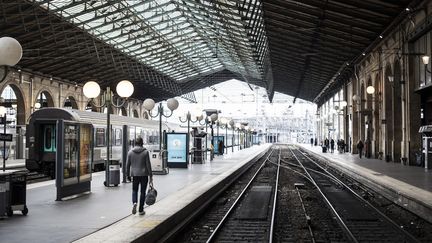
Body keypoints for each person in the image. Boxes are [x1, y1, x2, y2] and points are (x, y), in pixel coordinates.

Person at [126, 137, 153, 215]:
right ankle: (141, 209)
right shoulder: (145, 152)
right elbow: (148, 164)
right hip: (144, 175)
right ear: (142, 143)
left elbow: (127, 165)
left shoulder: (130, 152)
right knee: (142, 192)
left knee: (134, 190)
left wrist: (127, 174)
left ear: (135, 143)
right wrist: (150, 175)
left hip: (135, 175)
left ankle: (134, 202)